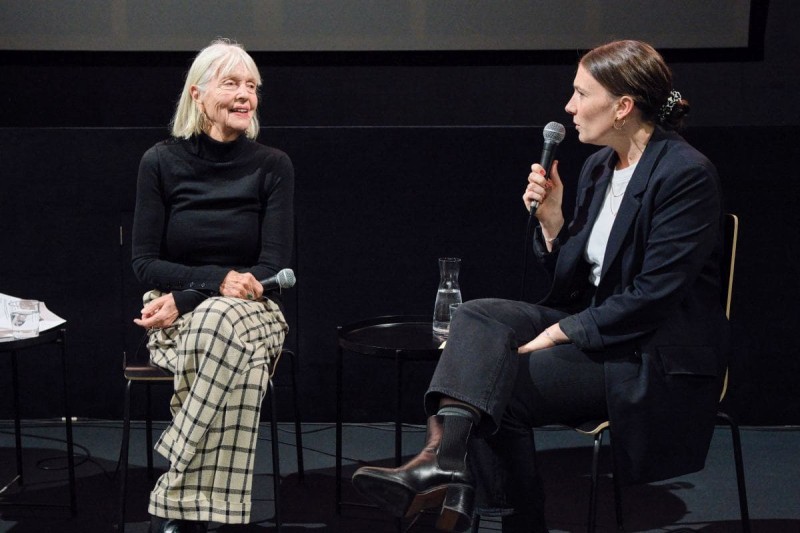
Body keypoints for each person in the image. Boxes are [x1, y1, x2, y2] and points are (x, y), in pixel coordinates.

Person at [352, 39, 729, 533]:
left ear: (622, 106)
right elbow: (574, 277)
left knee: (496, 388)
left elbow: (654, 296)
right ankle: (445, 467)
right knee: (478, 315)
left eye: (580, 93)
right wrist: (553, 223)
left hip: (648, 352)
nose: (569, 108)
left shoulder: (685, 174)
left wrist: (561, 332)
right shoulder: (599, 167)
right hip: (599, 326)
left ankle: (494, 509)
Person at [131, 39, 294, 533]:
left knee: (221, 321)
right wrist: (206, 285)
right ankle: (213, 510)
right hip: (176, 311)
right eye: (232, 83)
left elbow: (273, 267)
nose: (246, 95)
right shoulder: (159, 162)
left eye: (252, 86)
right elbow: (144, 263)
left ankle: (178, 475)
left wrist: (193, 295)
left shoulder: (273, 165)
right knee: (230, 349)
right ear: (198, 94)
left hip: (254, 307)